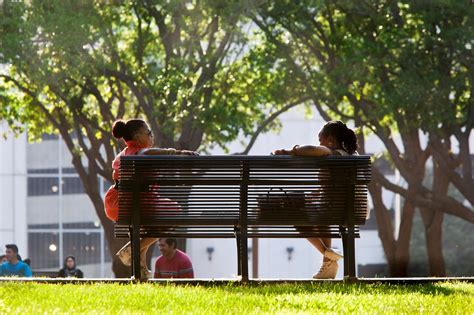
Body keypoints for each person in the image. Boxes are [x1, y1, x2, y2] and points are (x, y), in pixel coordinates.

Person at [104, 118, 198, 279]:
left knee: (149, 224)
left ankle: (140, 269)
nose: (151, 136)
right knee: (175, 213)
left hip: (118, 204)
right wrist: (178, 153)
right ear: (136, 135)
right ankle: (133, 248)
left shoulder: (123, 154)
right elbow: (148, 153)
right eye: (148, 133)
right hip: (135, 204)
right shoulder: (138, 152)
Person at [272, 120, 359, 279]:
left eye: (321, 140)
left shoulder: (334, 153)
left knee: (294, 214)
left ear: (331, 140)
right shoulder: (351, 156)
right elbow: (339, 185)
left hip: (335, 209)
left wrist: (289, 151)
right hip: (348, 209)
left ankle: (328, 254)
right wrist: (317, 193)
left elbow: (313, 150)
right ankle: (328, 263)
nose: (319, 143)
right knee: (317, 215)